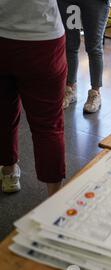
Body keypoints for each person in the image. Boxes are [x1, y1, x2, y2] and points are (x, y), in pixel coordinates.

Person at [0, 0, 67, 196]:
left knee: (3, 115)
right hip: (43, 38)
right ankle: (54, 197)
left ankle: (9, 171)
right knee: (48, 125)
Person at [57, 0, 111, 113]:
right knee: (70, 45)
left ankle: (95, 93)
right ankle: (70, 88)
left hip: (96, 3)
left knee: (94, 47)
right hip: (69, 1)